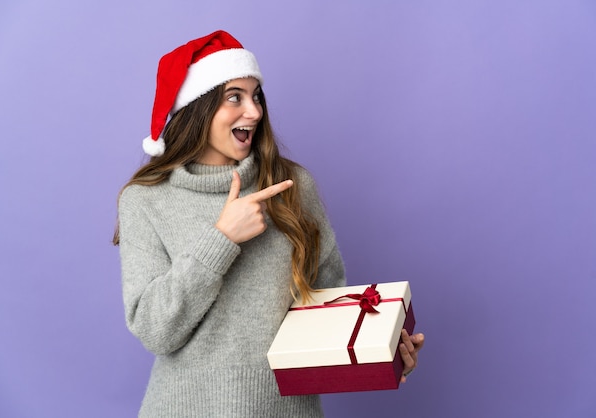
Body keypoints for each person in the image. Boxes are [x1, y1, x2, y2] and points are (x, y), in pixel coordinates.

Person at [114, 30, 424, 417]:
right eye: (234, 97)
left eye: (256, 95)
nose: (255, 112)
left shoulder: (294, 187)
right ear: (196, 108)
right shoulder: (145, 201)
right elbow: (156, 329)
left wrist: (386, 350)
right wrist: (221, 238)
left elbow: (328, 307)